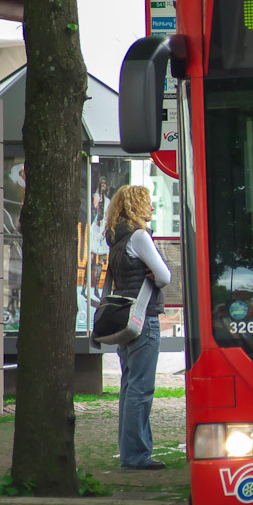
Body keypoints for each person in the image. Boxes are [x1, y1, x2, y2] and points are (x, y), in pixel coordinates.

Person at [104, 185, 172, 469]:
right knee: (141, 389)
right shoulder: (139, 236)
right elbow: (164, 276)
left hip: (126, 320)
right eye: (148, 203)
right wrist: (156, 275)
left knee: (129, 386)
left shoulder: (115, 238)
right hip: (144, 318)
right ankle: (137, 455)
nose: (153, 209)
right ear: (136, 206)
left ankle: (130, 452)